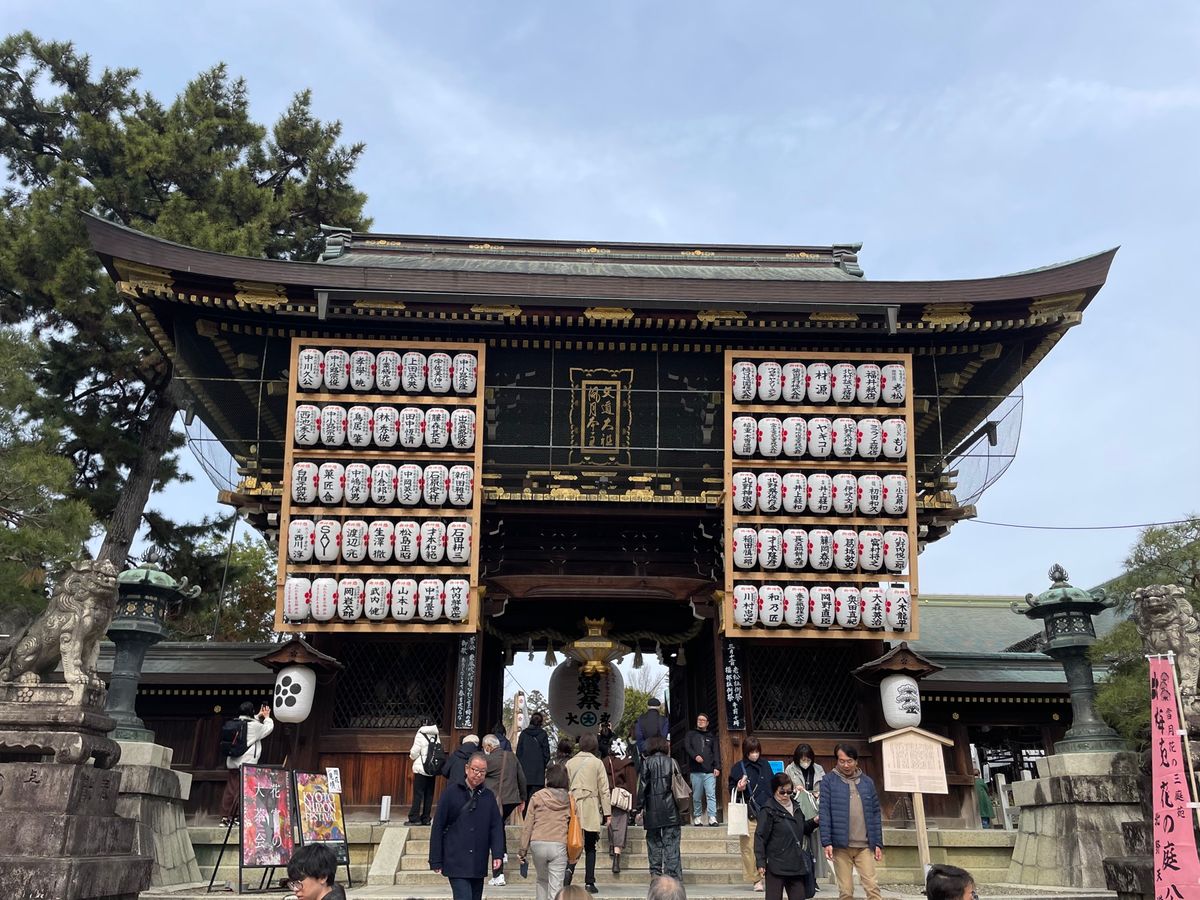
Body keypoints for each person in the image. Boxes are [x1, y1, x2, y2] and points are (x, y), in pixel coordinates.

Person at [429, 751, 506, 900]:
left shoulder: (488, 796)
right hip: (456, 859)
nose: (478, 774)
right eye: (475, 770)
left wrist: (497, 854)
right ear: (466, 769)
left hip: (478, 860)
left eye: (482, 771)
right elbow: (438, 826)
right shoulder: (450, 793)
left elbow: (496, 827)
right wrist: (435, 859)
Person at [819, 743, 883, 900]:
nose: (846, 765)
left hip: (865, 845)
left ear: (856, 761)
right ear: (837, 761)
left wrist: (878, 843)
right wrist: (826, 842)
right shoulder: (828, 781)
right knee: (846, 891)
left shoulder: (868, 782)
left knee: (872, 887)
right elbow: (824, 812)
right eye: (842, 761)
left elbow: (875, 813)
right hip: (841, 845)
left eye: (849, 761)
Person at [755, 772, 820, 900]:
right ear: (774, 790)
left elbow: (802, 829)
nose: (786, 795)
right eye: (782, 792)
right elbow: (760, 836)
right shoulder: (768, 809)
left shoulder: (796, 806)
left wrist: (814, 821)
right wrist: (760, 861)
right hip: (776, 863)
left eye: (789, 792)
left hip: (796, 863)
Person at [565, 732, 612, 893]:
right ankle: (589, 882)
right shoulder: (597, 763)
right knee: (590, 846)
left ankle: (567, 874)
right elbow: (604, 790)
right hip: (591, 805)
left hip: (573, 807)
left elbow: (565, 786)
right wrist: (607, 813)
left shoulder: (570, 763)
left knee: (572, 842)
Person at [519, 762, 572, 900]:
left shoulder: (537, 796)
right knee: (556, 886)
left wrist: (523, 849)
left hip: (538, 843)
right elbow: (575, 825)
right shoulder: (570, 799)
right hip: (559, 843)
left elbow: (528, 825)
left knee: (542, 880)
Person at [728, 736, 773, 892]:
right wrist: (738, 788)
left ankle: (770, 875)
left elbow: (772, 786)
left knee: (770, 845)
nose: (755, 754)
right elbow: (731, 789)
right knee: (748, 847)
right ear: (746, 752)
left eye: (757, 751)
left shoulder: (766, 765)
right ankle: (756, 879)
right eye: (752, 752)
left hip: (767, 811)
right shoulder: (738, 768)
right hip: (749, 812)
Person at [220, 700, 273, 827]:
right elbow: (267, 729)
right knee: (241, 790)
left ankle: (225, 817)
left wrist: (257, 716)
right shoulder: (254, 726)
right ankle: (237, 817)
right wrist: (267, 718)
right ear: (251, 712)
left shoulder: (233, 723)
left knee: (230, 790)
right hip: (245, 763)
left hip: (232, 763)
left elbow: (247, 722)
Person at [637, 734, 683, 880]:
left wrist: (638, 807)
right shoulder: (672, 762)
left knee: (654, 843)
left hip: (652, 810)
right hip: (671, 808)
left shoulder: (647, 763)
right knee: (672, 844)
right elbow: (679, 784)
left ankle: (655, 875)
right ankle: (672, 876)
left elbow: (642, 787)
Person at [784, 744, 826, 884]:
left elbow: (825, 787)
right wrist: (795, 790)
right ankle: (800, 877)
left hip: (815, 809)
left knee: (815, 845)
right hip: (799, 810)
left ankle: (814, 878)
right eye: (802, 759)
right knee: (801, 843)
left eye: (807, 759)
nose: (805, 761)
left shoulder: (819, 769)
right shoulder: (790, 769)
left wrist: (819, 794)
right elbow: (784, 790)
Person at [603, 735, 637, 873]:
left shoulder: (605, 762)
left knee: (610, 822)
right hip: (622, 797)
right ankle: (617, 857)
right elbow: (632, 783)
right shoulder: (627, 763)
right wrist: (634, 804)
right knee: (621, 825)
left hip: (607, 796)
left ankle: (612, 845)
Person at [684, 712, 721, 826]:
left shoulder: (711, 736)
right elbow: (687, 747)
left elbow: (716, 752)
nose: (700, 721)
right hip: (696, 771)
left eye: (703, 720)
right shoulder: (691, 734)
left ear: (707, 723)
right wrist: (695, 756)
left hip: (709, 770)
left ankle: (712, 817)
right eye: (699, 720)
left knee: (711, 794)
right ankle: (698, 816)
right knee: (696, 795)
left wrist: (717, 767)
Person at [407, 717, 441, 826]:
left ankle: (415, 817)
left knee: (418, 793)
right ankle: (426, 818)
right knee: (429, 794)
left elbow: (414, 752)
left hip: (421, 768)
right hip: (432, 768)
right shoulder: (436, 735)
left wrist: (412, 756)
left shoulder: (420, 734)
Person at [517, 711, 553, 798]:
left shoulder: (524, 734)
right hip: (538, 774)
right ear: (541, 722)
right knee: (537, 801)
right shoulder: (543, 734)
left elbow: (518, 753)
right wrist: (542, 765)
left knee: (525, 802)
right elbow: (546, 754)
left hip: (524, 774)